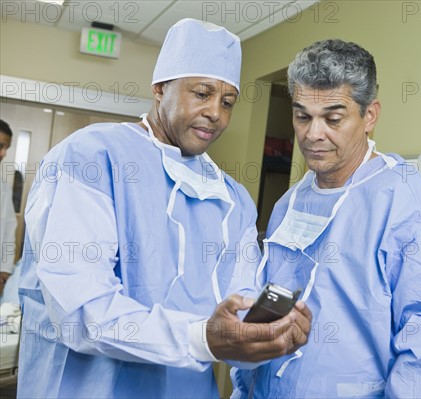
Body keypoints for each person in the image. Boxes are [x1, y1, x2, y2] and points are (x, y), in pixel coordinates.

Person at [17, 19, 311, 398]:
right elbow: (79, 311)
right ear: (159, 89)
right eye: (201, 93)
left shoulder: (232, 198)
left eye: (227, 102)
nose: (215, 114)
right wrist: (199, 338)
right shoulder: (92, 158)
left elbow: (238, 307)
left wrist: (266, 334)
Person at [233, 39, 421, 398]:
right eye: (302, 116)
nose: (313, 134)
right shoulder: (290, 202)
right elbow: (267, 306)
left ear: (369, 115)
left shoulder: (407, 206)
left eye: (333, 118)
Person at [0, 119, 17, 298]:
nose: (3, 153)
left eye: (7, 148)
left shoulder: (3, 188)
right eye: (1, 146)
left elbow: (8, 228)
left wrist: (5, 267)